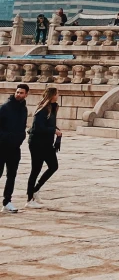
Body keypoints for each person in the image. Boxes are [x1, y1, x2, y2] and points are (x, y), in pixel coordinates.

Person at [26, 86, 60, 206]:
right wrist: (53, 131)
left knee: (53, 166)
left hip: (46, 143)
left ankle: (36, 189)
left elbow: (48, 124)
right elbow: (39, 127)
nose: (58, 95)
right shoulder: (42, 109)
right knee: (35, 170)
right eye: (57, 93)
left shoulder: (53, 107)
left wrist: (55, 130)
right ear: (52, 95)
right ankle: (29, 199)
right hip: (37, 143)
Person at [0, 84, 30, 213]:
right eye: (17, 92)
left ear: (26, 94)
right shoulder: (5, 108)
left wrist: (20, 137)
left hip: (15, 147)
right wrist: (7, 137)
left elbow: (22, 126)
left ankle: (7, 201)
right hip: (2, 146)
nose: (19, 94)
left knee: (11, 175)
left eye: (22, 93)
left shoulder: (24, 109)